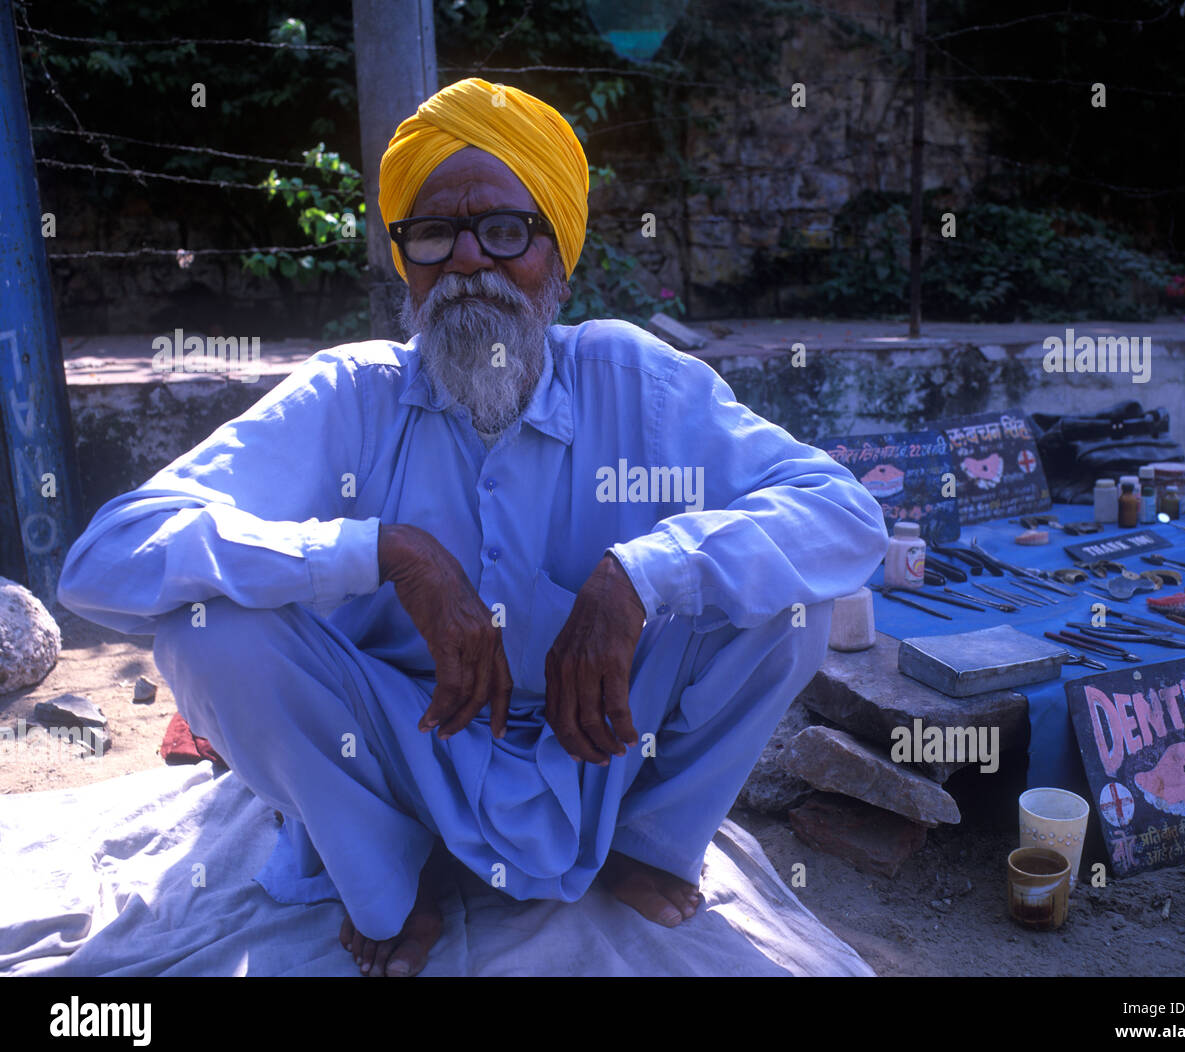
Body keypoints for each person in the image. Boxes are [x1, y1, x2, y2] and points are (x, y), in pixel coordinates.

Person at [57, 78, 887, 977]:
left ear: (556, 256)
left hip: (602, 742)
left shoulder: (635, 382)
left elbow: (844, 519)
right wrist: (382, 553)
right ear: (405, 262)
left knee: (795, 602)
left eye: (503, 232)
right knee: (208, 628)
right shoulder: (351, 398)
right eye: (433, 236)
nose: (468, 264)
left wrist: (642, 575)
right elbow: (107, 560)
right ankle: (385, 881)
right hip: (400, 747)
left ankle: (650, 842)